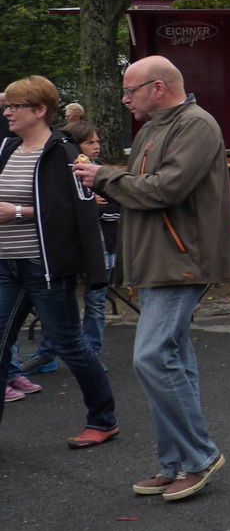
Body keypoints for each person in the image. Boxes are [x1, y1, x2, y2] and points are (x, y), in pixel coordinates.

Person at [74, 56, 230, 500]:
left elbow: (166, 188)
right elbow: (145, 189)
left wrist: (104, 177)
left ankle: (200, 457)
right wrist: (110, 184)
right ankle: (175, 463)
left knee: (152, 357)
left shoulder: (196, 124)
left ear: (158, 88)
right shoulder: (154, 127)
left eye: (131, 90)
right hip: (162, 258)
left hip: (182, 258)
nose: (125, 99)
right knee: (172, 358)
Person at [0, 76, 116, 445]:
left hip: (45, 267)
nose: (7, 112)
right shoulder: (7, 148)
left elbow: (75, 212)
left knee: (71, 346)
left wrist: (17, 212)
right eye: (6, 106)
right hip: (7, 265)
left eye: (15, 107)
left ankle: (103, 420)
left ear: (40, 111)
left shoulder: (63, 152)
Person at [63, 120, 120, 359]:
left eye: (98, 141)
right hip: (71, 247)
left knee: (96, 302)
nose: (96, 146)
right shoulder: (61, 173)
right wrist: (87, 203)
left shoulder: (103, 173)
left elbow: (116, 208)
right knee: (62, 303)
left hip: (103, 246)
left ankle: (92, 353)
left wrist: (90, 207)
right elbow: (58, 211)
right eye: (89, 142)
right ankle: (50, 352)